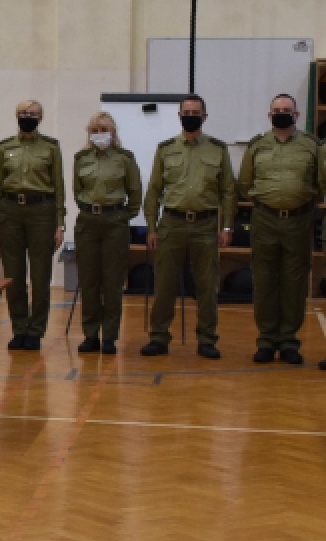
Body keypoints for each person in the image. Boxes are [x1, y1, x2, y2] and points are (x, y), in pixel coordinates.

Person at [141, 94, 235, 359]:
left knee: (206, 286)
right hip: (172, 224)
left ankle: (207, 339)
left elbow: (228, 191)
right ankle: (159, 337)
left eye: (196, 112)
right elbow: (154, 191)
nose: (191, 116)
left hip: (206, 225)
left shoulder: (218, 149)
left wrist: (226, 227)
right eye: (187, 112)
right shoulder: (166, 148)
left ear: (205, 117)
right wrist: (151, 227)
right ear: (179, 115)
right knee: (165, 285)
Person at [238, 94, 319, 364]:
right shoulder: (257, 146)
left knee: (294, 283)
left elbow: (320, 182)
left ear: (297, 115)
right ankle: (266, 340)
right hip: (265, 220)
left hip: (299, 220)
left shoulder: (312, 146)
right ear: (269, 115)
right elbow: (245, 183)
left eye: (287, 110)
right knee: (264, 281)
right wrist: (267, 202)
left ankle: (288, 342)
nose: (281, 113)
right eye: (277, 110)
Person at [0, 99, 65, 351]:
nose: (27, 116)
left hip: (42, 212)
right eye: (23, 113)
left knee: (40, 275)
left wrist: (60, 223)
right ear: (16, 116)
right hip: (10, 211)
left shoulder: (51, 148)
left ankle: (36, 330)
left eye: (32, 113)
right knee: (14, 275)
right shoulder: (4, 147)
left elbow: (58, 187)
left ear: (40, 117)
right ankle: (19, 327)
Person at [71, 112, 142, 355]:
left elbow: (135, 193)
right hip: (88, 222)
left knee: (112, 282)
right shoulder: (81, 159)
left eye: (105, 130)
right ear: (89, 133)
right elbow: (77, 190)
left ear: (113, 133)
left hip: (115, 223)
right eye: (96, 130)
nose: (100, 134)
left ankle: (110, 336)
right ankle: (90, 335)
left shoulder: (124, 158)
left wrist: (122, 217)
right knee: (89, 281)